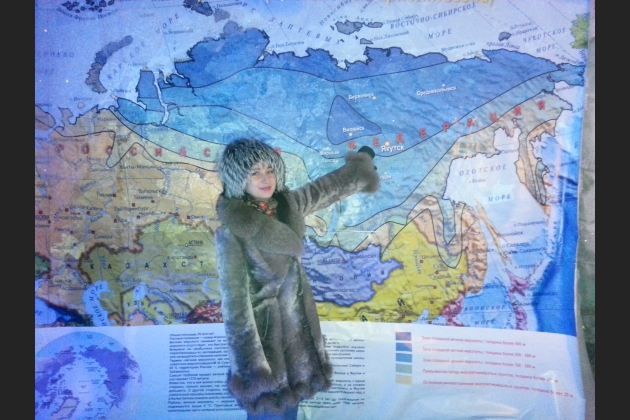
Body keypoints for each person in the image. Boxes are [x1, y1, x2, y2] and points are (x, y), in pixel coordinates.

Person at [215, 139, 379, 419]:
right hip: (266, 346)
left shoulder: (286, 206)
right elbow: (235, 309)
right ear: (237, 178)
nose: (265, 178)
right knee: (269, 412)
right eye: (255, 172)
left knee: (291, 410)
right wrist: (252, 369)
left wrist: (358, 169)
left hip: (298, 338)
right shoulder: (232, 232)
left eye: (270, 170)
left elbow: (324, 190)